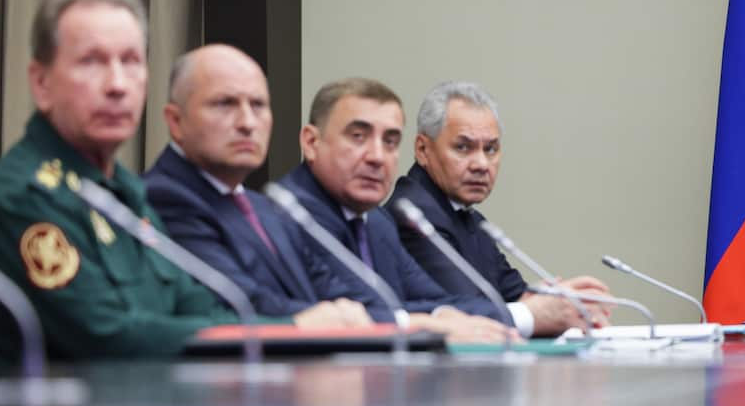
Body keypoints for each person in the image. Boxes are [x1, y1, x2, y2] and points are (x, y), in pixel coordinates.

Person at [146, 51, 510, 343]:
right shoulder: (168, 198)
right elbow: (248, 303)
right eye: (225, 104)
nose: (247, 122)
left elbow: (343, 300)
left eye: (258, 105)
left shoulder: (263, 208)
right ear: (175, 122)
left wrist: (434, 318)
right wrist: (412, 323)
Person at [0, 0, 242, 364]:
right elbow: (109, 340)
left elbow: (200, 309)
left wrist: (298, 331)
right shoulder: (20, 195)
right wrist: (296, 331)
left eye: (132, 61)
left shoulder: (123, 191)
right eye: (91, 61)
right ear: (41, 84)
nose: (117, 85)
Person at [279, 78, 518, 342]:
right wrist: (430, 323)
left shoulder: (377, 221)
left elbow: (439, 302)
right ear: (312, 142)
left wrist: (441, 317)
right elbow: (358, 313)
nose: (377, 156)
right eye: (358, 137)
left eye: (390, 141)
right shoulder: (288, 215)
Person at [388, 81, 610, 337]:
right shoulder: (414, 216)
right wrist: (536, 309)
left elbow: (514, 296)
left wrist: (554, 301)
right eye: (463, 147)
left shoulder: (468, 219)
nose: (481, 164)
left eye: (490, 149)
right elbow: (468, 316)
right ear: (423, 150)